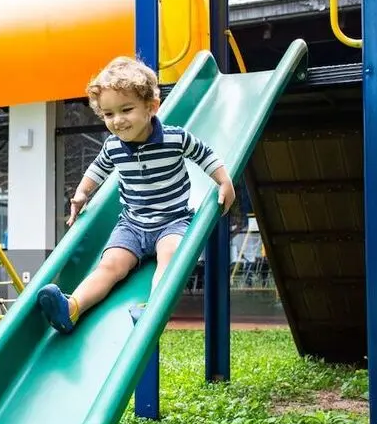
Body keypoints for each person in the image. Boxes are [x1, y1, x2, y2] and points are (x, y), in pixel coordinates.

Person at [36, 56, 236, 333]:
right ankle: (71, 309)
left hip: (173, 220)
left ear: (151, 107)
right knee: (110, 266)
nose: (117, 121)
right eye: (108, 114)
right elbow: (98, 169)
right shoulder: (113, 146)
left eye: (126, 109)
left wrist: (224, 182)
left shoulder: (175, 139)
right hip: (131, 224)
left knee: (171, 255)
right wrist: (82, 193)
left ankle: (153, 308)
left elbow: (205, 155)